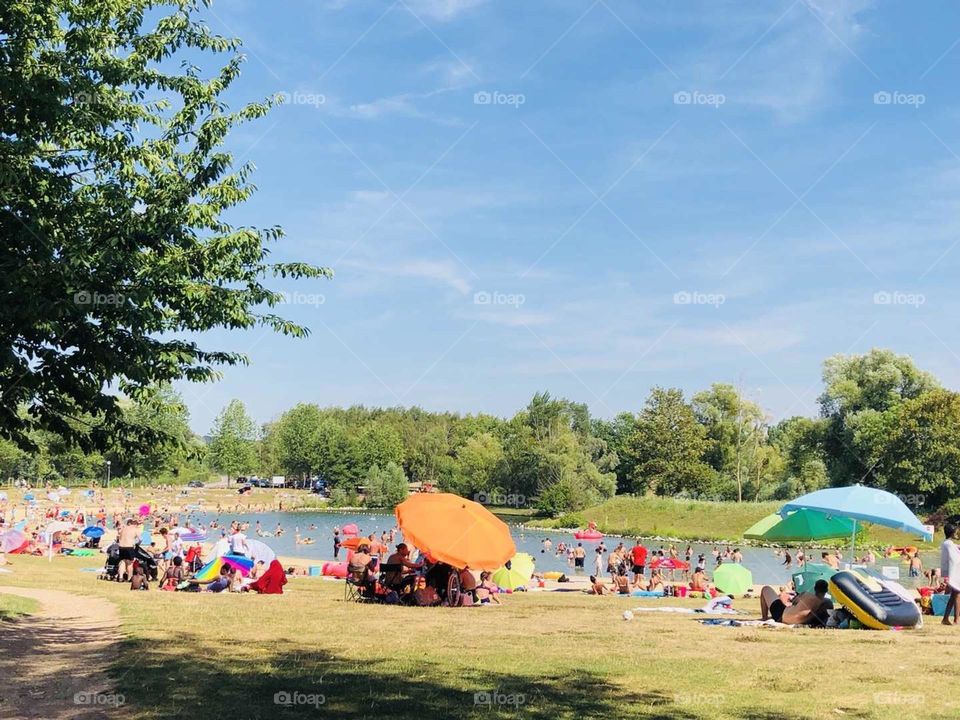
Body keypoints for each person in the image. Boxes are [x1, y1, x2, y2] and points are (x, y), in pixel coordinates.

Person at [760, 580, 833, 626]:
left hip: (781, 615)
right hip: (802, 621)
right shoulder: (828, 603)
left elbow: (794, 601)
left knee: (765, 589)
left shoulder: (806, 595)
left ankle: (764, 618)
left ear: (814, 588)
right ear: (826, 590)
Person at [940, 522, 960, 625]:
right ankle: (956, 620)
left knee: (954, 595)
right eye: (955, 532)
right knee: (957, 595)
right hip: (955, 572)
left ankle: (945, 619)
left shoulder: (948, 543)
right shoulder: (948, 543)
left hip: (954, 572)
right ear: (952, 532)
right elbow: (955, 558)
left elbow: (956, 549)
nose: (957, 534)